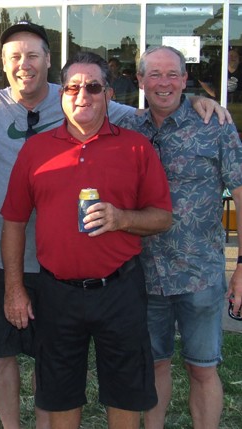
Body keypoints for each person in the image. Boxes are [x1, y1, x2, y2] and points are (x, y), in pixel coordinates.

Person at [0, 21, 232, 429]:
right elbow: (12, 216)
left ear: (50, 62)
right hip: (3, 258)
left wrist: (195, 101)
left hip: (92, 275)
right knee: (12, 360)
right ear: (3, 64)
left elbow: (154, 112)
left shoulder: (103, 114)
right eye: (15, 57)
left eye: (33, 56)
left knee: (80, 369)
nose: (25, 65)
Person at [0, 51, 173, 429]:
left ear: (109, 94)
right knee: (60, 393)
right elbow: (13, 221)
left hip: (120, 289)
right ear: (61, 94)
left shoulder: (135, 147)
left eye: (93, 87)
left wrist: (122, 218)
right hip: (57, 292)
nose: (83, 95)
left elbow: (163, 217)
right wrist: (14, 288)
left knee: (126, 391)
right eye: (73, 87)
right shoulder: (35, 150)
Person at [118, 45, 242, 429]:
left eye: (173, 74)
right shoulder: (128, 129)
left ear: (186, 80)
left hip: (200, 274)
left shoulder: (215, 125)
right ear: (140, 81)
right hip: (144, 275)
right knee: (154, 364)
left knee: (202, 368)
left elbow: (240, 194)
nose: (164, 83)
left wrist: (241, 268)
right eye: (154, 74)